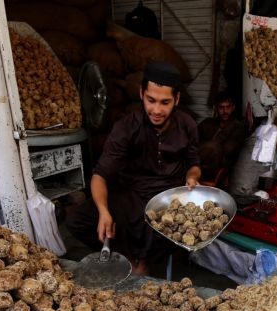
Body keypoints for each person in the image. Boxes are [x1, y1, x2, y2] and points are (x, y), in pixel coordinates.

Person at [65, 61, 201, 276]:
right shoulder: (127, 127)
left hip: (169, 195)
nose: (156, 110)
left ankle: (143, 265)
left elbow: (193, 163)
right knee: (78, 219)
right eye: (151, 100)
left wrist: (192, 177)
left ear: (177, 99)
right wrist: (103, 211)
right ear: (141, 94)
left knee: (170, 227)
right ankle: (128, 258)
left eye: (165, 102)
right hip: (131, 193)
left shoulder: (187, 125)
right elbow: (100, 175)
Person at [197, 90, 245, 182]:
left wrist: (208, 148)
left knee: (212, 147)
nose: (225, 111)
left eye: (228, 107)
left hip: (220, 165)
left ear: (233, 108)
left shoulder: (237, 127)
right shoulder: (207, 123)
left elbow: (229, 149)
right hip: (198, 162)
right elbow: (193, 140)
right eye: (221, 107)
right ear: (216, 108)